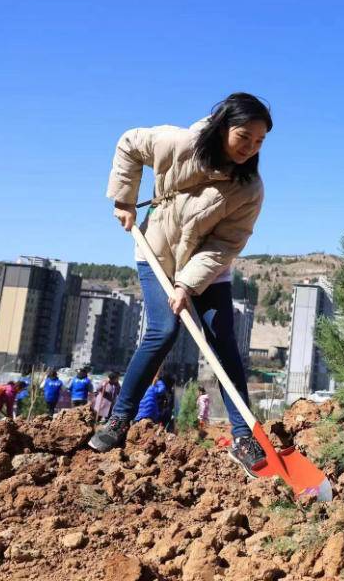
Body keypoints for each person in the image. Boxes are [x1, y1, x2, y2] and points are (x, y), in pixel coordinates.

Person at [89, 93, 273, 477]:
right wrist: (125, 199)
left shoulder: (248, 188)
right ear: (223, 125)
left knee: (222, 340)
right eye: (244, 136)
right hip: (156, 253)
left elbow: (225, 244)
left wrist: (187, 284)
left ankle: (244, 436)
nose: (250, 148)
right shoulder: (178, 144)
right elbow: (129, 143)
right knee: (163, 330)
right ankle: (119, 420)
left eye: (259, 142)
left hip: (205, 267)